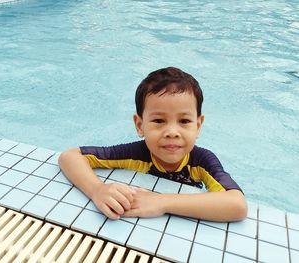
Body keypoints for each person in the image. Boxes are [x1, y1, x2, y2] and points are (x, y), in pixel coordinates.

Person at [58, 67, 247, 222]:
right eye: (158, 121)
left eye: (184, 121)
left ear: (198, 126)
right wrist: (97, 190)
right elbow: (70, 156)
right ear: (140, 125)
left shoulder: (202, 160)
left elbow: (237, 204)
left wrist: (162, 202)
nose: (172, 132)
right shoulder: (135, 153)